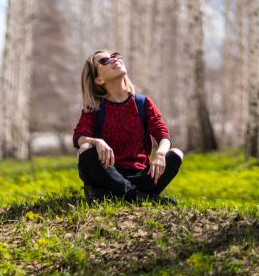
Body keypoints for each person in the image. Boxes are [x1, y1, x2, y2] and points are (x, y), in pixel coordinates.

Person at [73, 50, 184, 204]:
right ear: (98, 79)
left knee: (175, 154)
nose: (113, 60)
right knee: (86, 149)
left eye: (115, 56)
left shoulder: (143, 103)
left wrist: (160, 154)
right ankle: (140, 197)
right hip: (108, 174)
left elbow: (163, 134)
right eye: (105, 61)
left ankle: (117, 195)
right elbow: (79, 137)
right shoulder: (95, 107)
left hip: (141, 176)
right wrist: (97, 142)